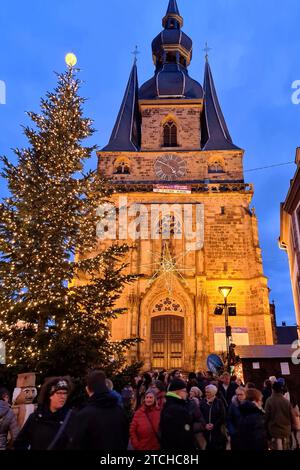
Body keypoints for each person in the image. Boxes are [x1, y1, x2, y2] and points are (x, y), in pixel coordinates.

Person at [69, 370, 129, 450]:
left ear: (87, 389)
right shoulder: (119, 410)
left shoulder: (84, 415)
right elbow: (125, 437)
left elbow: (78, 444)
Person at [14, 377, 73, 450]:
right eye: (59, 393)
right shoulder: (36, 418)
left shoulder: (71, 418)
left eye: (65, 393)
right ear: (50, 395)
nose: (63, 397)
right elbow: (20, 443)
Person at [160, 379, 195, 451]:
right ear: (178, 391)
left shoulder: (168, 404)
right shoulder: (178, 409)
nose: (187, 393)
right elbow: (185, 435)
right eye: (185, 391)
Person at [265, 381, 293, 450]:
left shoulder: (269, 401)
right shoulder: (287, 402)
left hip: (274, 431)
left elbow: (266, 416)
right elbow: (291, 416)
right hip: (286, 431)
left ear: (273, 389)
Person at [200, 384, 227, 450]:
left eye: (208, 392)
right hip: (205, 430)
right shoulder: (202, 402)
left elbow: (222, 415)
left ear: (213, 392)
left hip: (217, 431)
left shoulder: (219, 402)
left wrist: (214, 425)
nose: (206, 393)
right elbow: (200, 415)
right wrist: (205, 424)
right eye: (205, 392)